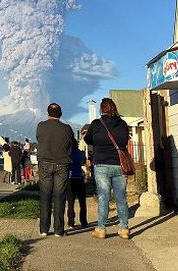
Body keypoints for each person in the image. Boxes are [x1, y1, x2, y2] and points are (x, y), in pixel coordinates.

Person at [84, 98, 130, 240]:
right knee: (121, 197)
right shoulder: (123, 124)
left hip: (102, 165)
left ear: (101, 109)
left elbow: (87, 140)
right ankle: (124, 229)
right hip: (119, 165)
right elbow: (125, 141)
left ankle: (101, 228)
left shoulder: (97, 124)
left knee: (104, 196)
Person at [36, 103, 75, 237]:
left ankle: (44, 229)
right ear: (61, 114)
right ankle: (59, 230)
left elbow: (39, 139)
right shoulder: (67, 128)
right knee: (60, 196)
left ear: (47, 113)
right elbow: (71, 145)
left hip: (45, 163)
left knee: (45, 195)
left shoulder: (41, 126)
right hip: (62, 164)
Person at [66, 138, 88, 229]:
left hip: (69, 179)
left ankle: (71, 222)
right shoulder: (81, 153)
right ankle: (84, 222)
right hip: (79, 178)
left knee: (70, 203)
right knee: (82, 202)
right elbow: (83, 162)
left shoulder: (67, 155)